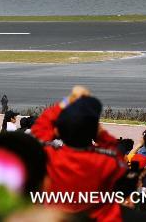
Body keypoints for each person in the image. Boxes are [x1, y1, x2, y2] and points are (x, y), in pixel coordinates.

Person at [31, 84, 127, 220]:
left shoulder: (48, 155)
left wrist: (69, 100)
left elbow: (39, 129)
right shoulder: (108, 160)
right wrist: (100, 133)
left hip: (54, 216)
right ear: (94, 132)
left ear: (58, 131)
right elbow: (118, 154)